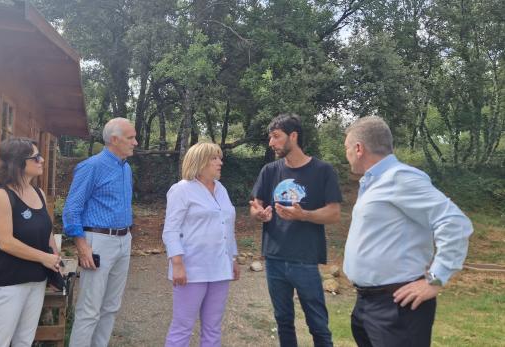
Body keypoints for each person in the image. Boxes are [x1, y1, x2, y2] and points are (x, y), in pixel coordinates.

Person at [342, 116, 473, 347]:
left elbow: (454, 223)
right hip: (368, 302)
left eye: (347, 148)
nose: (347, 155)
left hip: (396, 307)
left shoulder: (400, 178)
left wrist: (435, 280)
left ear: (359, 148)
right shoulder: (375, 182)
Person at [249, 113, 341, 347]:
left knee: (318, 325)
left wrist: (305, 215)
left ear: (293, 136)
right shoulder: (269, 171)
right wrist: (259, 213)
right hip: (274, 258)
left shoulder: (323, 171)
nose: (271, 143)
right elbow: (256, 205)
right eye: (270, 138)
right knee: (283, 321)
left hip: (305, 259)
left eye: (276, 137)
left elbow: (334, 213)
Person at [62, 117, 137, 347]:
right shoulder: (91, 167)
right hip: (98, 242)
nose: (136, 142)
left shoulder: (126, 169)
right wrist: (82, 245)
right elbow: (72, 209)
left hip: (124, 240)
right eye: (131, 137)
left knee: (111, 307)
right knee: (90, 308)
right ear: (114, 139)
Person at [0, 138, 61, 347]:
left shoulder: (39, 193)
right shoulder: (1, 196)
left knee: (24, 341)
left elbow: (46, 232)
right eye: (35, 157)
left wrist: (55, 261)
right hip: (8, 282)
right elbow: (6, 242)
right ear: (18, 163)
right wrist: (44, 257)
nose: (42, 160)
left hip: (36, 280)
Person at [162, 142, 240, 347]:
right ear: (200, 161)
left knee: (213, 327)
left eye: (219, 158)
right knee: (182, 327)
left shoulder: (221, 189)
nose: (220, 162)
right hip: (191, 269)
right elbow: (171, 230)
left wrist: (233, 258)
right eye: (214, 158)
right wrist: (177, 264)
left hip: (220, 268)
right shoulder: (182, 190)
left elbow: (228, 226)